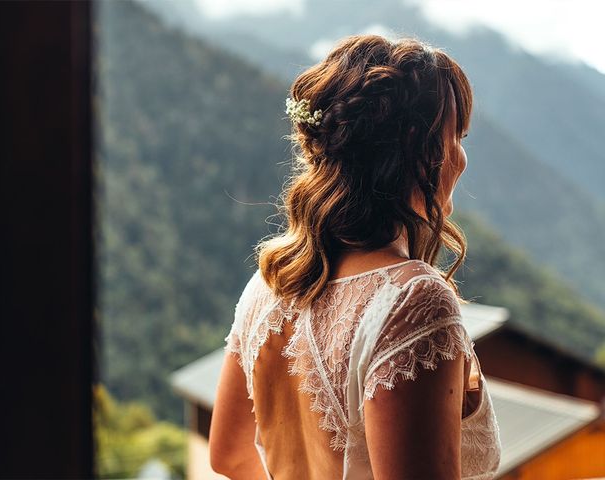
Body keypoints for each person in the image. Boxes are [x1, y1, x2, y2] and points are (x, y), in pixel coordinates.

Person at [209, 34, 502, 480]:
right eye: (455, 136)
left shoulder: (271, 283)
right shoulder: (413, 302)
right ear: (417, 148)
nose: (461, 158)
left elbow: (228, 456)